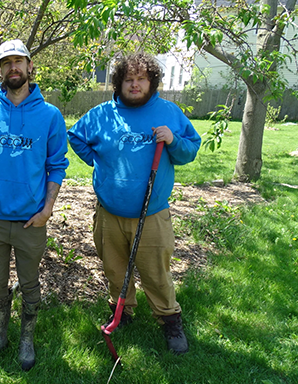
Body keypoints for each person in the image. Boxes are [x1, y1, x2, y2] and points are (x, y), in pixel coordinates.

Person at [67, 52, 201, 354]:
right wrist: (98, 159)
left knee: (156, 272)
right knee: (115, 269)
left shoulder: (168, 113)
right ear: (119, 82)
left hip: (152, 214)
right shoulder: (102, 114)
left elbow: (190, 150)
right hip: (109, 213)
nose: (135, 84)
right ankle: (121, 311)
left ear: (152, 81)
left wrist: (173, 141)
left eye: (142, 79)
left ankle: (169, 319)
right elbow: (75, 136)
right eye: (129, 79)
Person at [0, 39, 69, 371]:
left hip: (31, 221)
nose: (13, 67)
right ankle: (0, 336)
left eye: (19, 61)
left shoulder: (50, 116)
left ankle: (26, 338)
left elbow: (57, 165)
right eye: (6, 62)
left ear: (30, 67)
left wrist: (47, 210)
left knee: (29, 283)